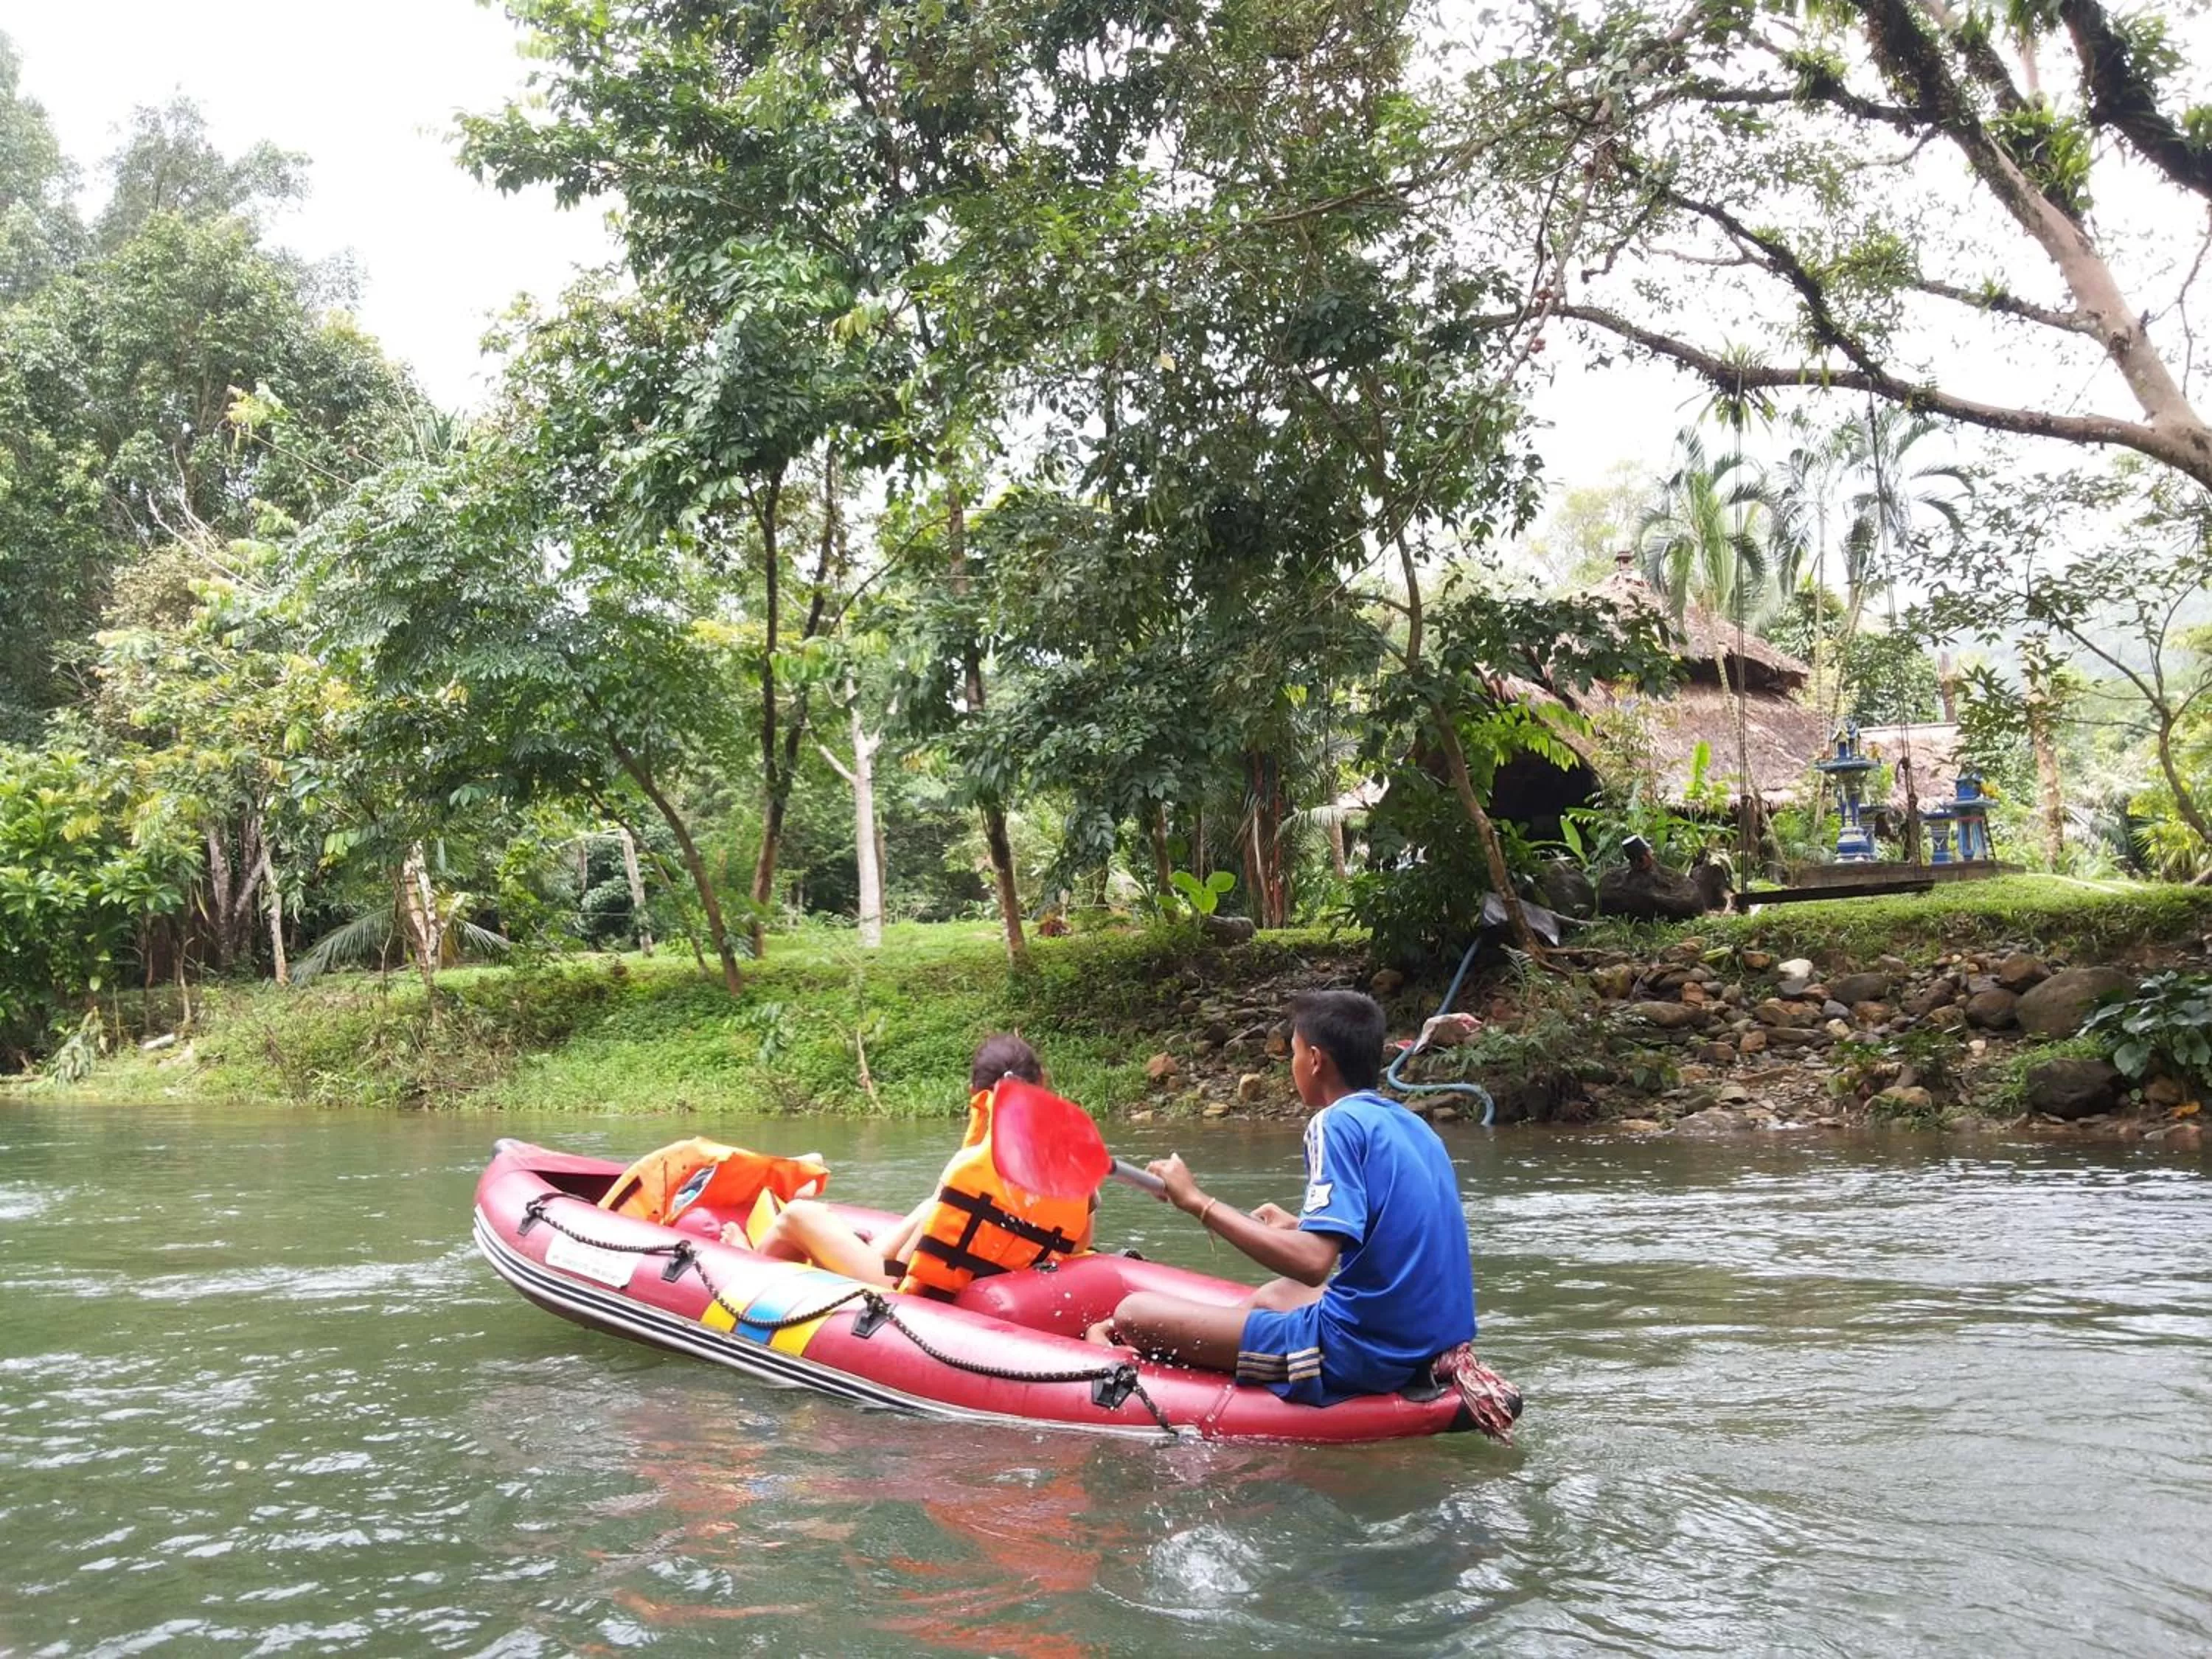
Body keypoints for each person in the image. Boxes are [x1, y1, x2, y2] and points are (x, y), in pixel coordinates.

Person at [1087, 989, 1520, 1435]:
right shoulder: (1410, 1124)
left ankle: (1133, 1335)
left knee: (1134, 1314)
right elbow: (1394, 1229)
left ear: (1315, 1060)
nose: (1291, 1066)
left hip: (1365, 1352)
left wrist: (1196, 1201)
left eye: (1293, 1053)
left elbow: (1313, 1265)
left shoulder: (1332, 1124)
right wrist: (1300, 1226)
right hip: (1428, 1342)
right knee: (1276, 1295)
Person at [725, 1033, 1095, 1294]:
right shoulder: (1077, 1170)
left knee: (799, 1215)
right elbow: (1078, 1245)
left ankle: (746, 1263)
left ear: (974, 1095)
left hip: (919, 1298)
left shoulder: (969, 1167)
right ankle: (843, 1248)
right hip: (999, 1286)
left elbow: (911, 1260)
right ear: (1042, 1082)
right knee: (925, 1208)